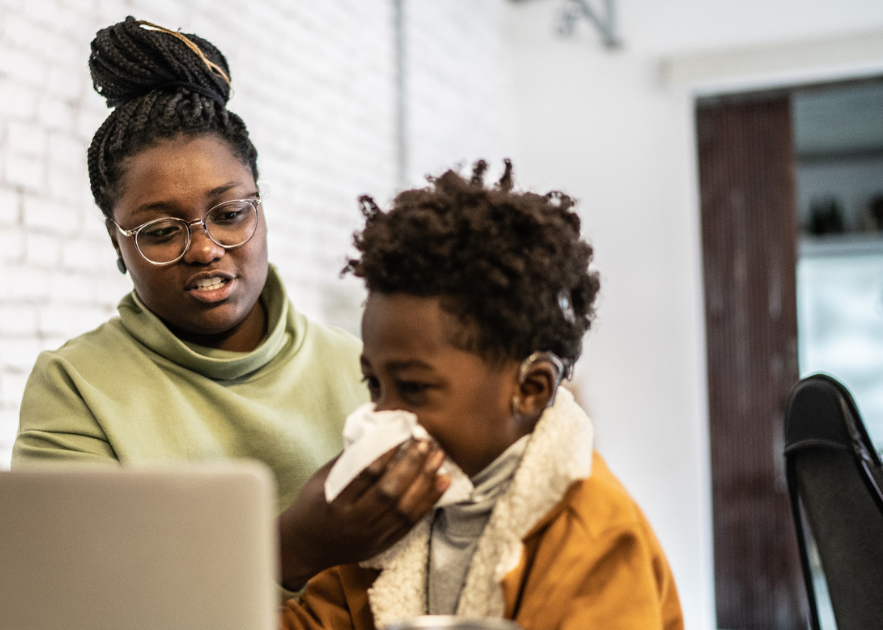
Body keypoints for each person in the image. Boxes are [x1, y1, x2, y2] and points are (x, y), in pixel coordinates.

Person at [12, 17, 448, 590]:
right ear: (117, 243)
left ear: (261, 211)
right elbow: (72, 596)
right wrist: (290, 548)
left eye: (230, 214)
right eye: (161, 231)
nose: (203, 248)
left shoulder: (362, 369)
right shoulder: (75, 388)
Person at [280, 161, 685, 629]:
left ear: (531, 390)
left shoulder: (593, 533)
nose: (383, 416)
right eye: (374, 385)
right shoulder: (389, 527)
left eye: (413, 388)